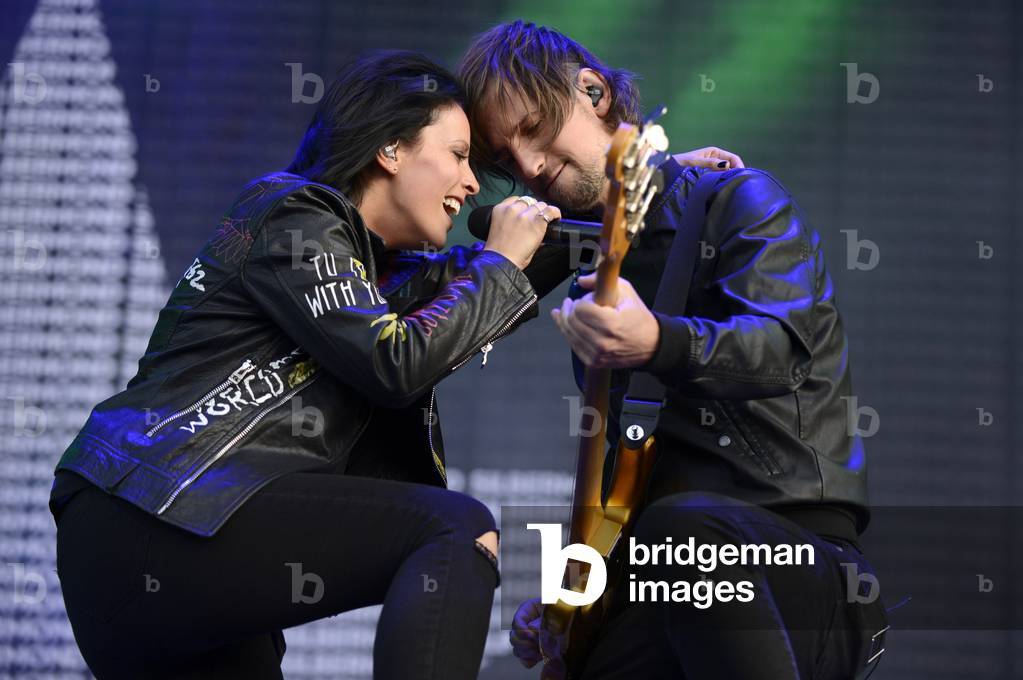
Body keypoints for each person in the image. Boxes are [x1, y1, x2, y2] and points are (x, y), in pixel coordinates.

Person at [47, 49, 570, 680]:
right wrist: (499, 262)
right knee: (456, 530)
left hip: (182, 544)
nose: (472, 184)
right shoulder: (293, 212)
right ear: (391, 148)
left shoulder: (384, 278)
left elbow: (520, 269)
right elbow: (396, 361)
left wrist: (645, 194)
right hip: (148, 515)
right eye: (458, 155)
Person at [457, 20, 888, 679]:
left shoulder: (740, 200)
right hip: (669, 569)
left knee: (684, 532)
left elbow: (783, 351)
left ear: (594, 92)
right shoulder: (593, 256)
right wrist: (586, 595)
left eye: (532, 129)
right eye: (506, 159)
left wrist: (657, 341)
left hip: (798, 560)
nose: (529, 167)